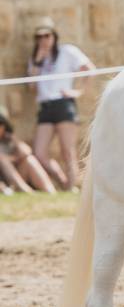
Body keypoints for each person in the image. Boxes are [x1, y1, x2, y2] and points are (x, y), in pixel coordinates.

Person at [27, 17, 95, 191]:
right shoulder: (35, 58)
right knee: (39, 153)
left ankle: (72, 186)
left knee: (67, 150)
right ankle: (64, 181)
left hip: (63, 104)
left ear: (54, 36)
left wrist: (78, 92)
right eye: (39, 37)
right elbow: (31, 87)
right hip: (45, 107)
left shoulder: (67, 51)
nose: (43, 40)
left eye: (47, 35)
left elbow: (90, 69)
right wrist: (37, 61)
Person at [0, 105, 56, 194]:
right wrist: (10, 159)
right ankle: (27, 191)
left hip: (16, 177)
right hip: (3, 182)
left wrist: (15, 140)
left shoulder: (8, 140)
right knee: (2, 158)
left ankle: (50, 191)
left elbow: (27, 152)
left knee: (29, 160)